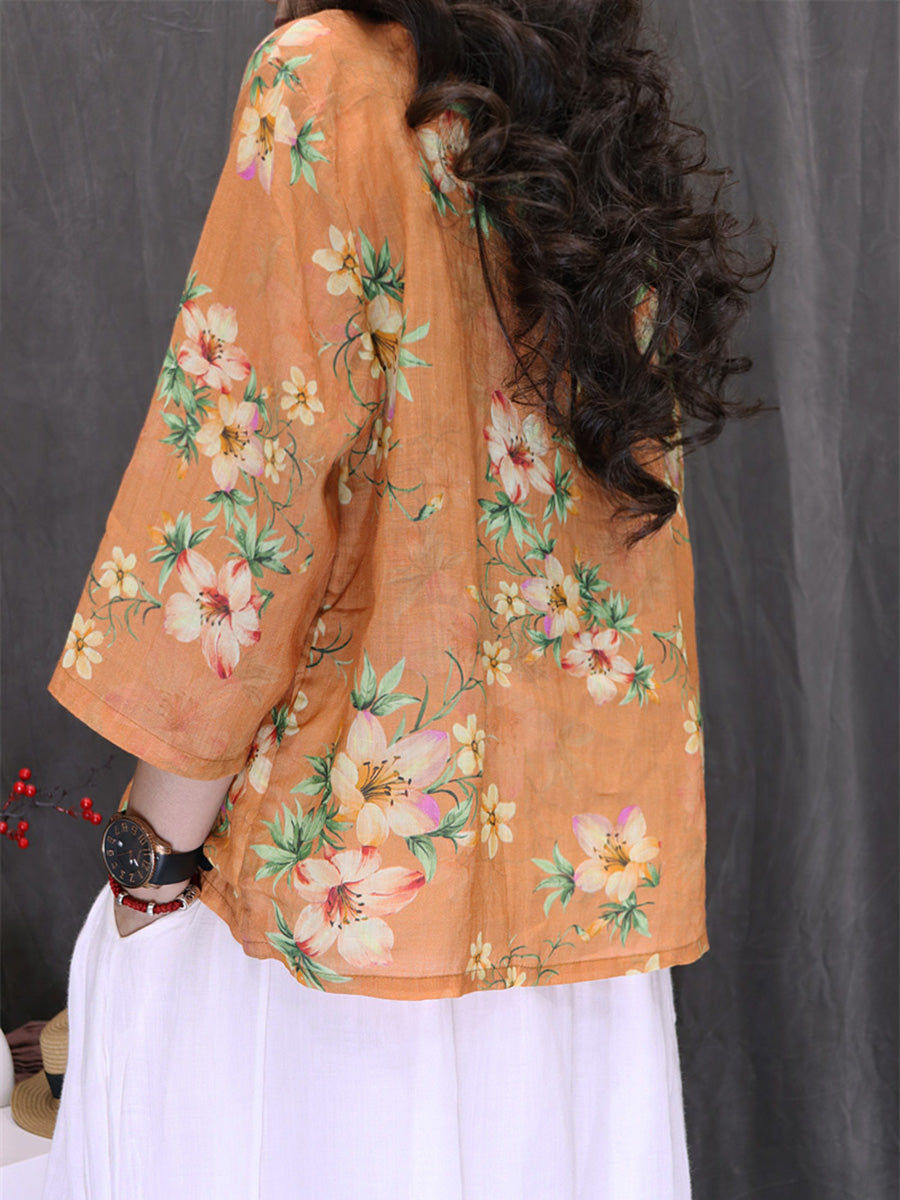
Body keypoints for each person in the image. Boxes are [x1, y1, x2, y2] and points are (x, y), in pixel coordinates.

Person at [41, 1, 772, 1196]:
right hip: (577, 920)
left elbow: (246, 497)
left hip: (352, 918)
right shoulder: (584, 100)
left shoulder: (324, 79)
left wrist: (151, 859)